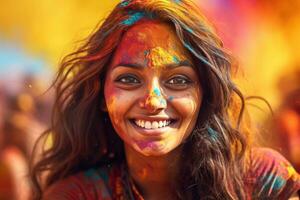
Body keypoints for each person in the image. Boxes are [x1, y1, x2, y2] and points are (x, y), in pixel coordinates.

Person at [30, 0, 300, 199]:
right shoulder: (77, 195)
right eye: (129, 79)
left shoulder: (261, 180)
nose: (153, 101)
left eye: (178, 80)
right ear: (101, 94)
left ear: (205, 92)